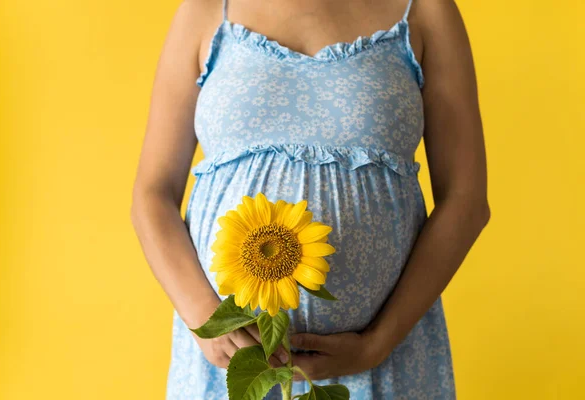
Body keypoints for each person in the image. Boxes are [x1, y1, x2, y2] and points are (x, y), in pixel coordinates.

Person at [130, 0, 490, 398]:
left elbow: (466, 199)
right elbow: (153, 193)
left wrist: (378, 342)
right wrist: (205, 318)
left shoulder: (426, 10)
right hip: (232, 365)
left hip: (384, 361)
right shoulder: (206, 11)